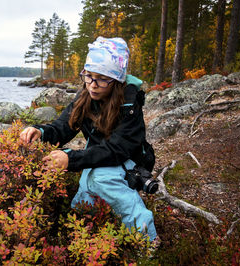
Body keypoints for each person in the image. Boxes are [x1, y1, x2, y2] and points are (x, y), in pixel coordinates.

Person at [20, 36, 157, 242]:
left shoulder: (129, 106)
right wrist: (40, 132)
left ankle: (146, 236)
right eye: (88, 76)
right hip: (102, 153)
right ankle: (91, 236)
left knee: (99, 178)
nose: (93, 85)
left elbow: (116, 150)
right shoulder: (85, 97)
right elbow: (62, 128)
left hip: (131, 160)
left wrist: (71, 160)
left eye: (102, 79)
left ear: (117, 80)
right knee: (83, 203)